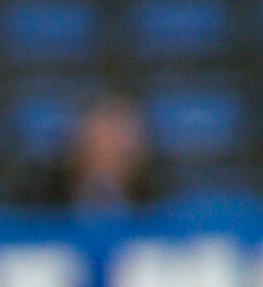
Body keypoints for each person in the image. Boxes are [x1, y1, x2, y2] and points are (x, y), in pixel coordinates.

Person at [15, 90, 166, 212]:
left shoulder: (161, 198)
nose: (112, 144)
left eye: (122, 134)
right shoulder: (38, 198)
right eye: (105, 133)